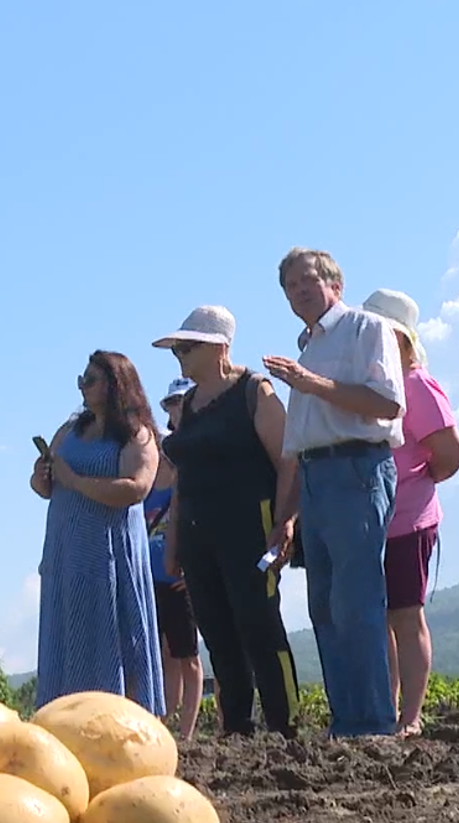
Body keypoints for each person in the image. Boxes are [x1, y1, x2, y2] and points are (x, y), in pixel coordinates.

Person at [261, 249, 405, 738]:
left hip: (356, 469)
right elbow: (303, 441)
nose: (298, 292)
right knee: (323, 604)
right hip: (318, 477)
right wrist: (288, 515)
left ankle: (373, 722)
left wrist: (310, 383)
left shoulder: (366, 329)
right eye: (289, 287)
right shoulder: (307, 345)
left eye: (308, 281)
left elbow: (386, 402)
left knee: (356, 600)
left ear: (334, 284)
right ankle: (347, 720)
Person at [153, 305, 301, 738]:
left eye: (187, 346)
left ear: (218, 346)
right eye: (177, 347)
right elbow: (182, 482)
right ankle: (237, 724)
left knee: (259, 624)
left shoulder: (255, 391)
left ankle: (284, 722)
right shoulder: (191, 405)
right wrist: (175, 541)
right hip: (200, 533)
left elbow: (289, 459)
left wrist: (286, 520)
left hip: (249, 527)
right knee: (217, 632)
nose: (179, 354)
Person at [29, 349, 167, 716]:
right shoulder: (69, 431)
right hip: (65, 552)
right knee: (66, 633)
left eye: (90, 380)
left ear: (115, 384)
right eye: (81, 380)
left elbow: (136, 488)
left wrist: (75, 480)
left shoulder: (137, 435)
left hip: (108, 554)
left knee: (110, 636)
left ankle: (115, 716)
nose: (83, 387)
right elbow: (45, 488)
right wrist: (42, 477)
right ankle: (62, 716)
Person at [361, 288, 459, 738]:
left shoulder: (417, 385)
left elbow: (450, 452)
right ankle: (387, 708)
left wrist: (417, 483)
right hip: (373, 516)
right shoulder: (370, 384)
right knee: (381, 616)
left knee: (405, 614)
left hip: (409, 517)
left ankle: (412, 715)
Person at [145, 378, 205, 739]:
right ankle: (167, 730)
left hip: (180, 576)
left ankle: (188, 731)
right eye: (170, 403)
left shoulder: (193, 467)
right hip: (151, 578)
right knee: (165, 655)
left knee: (188, 656)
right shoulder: (149, 474)